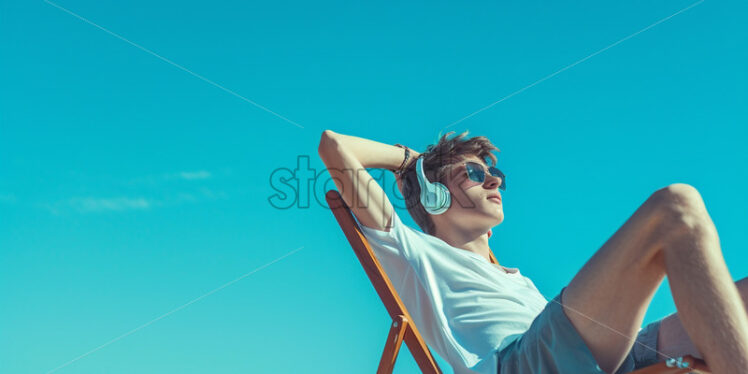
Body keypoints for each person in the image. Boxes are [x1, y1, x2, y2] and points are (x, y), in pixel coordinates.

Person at [317, 129, 748, 374]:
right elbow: (334, 148)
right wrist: (414, 162)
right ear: (434, 197)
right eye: (472, 173)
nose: (495, 181)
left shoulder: (516, 279)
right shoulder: (413, 252)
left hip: (579, 352)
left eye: (496, 174)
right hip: (522, 364)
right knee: (676, 208)